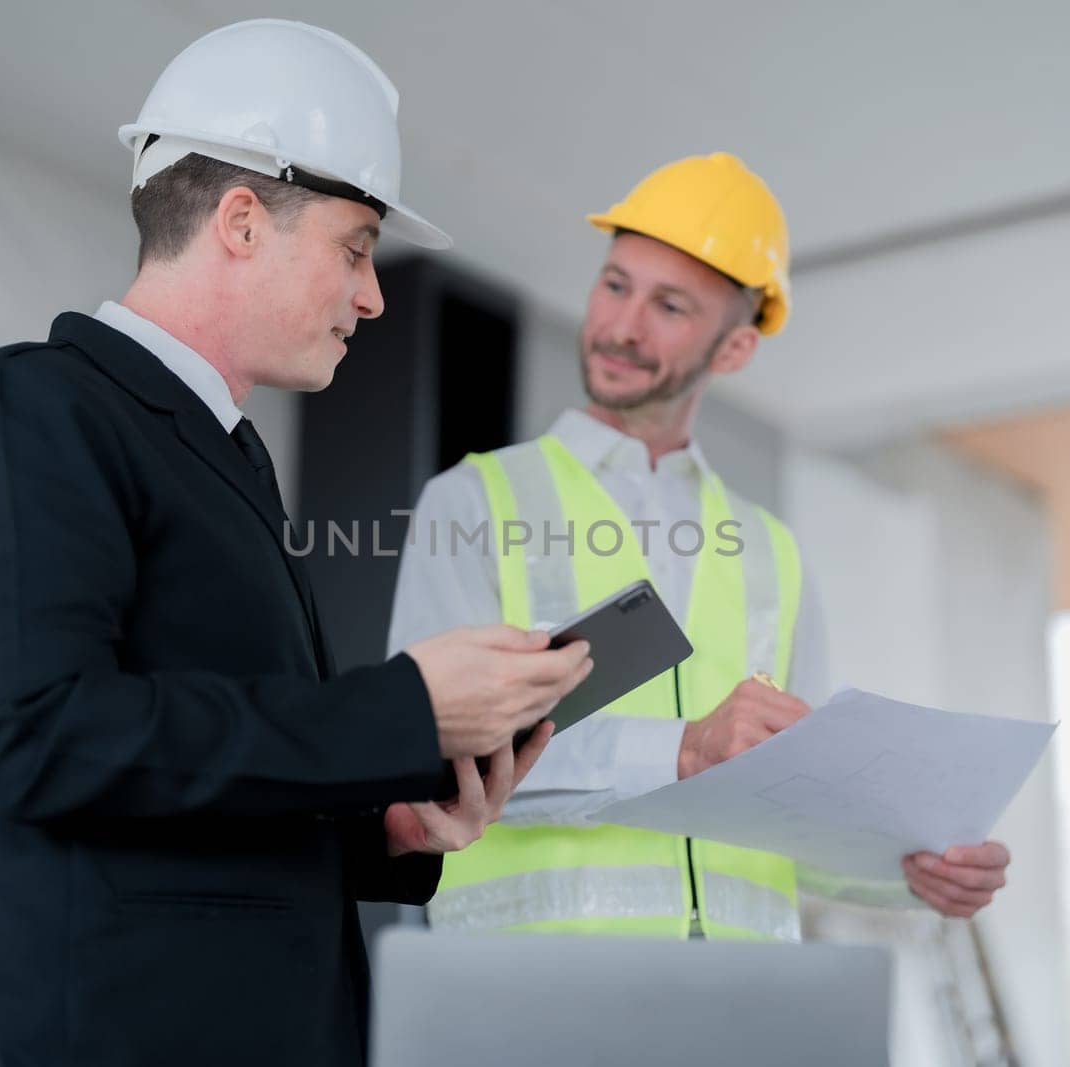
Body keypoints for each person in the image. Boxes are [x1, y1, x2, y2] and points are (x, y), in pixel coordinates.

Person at [0, 20, 590, 1067]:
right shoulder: (18, 405)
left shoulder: (230, 462)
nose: (372, 295)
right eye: (356, 249)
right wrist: (402, 707)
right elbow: (43, 733)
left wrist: (381, 825)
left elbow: (185, 779)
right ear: (242, 220)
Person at [388, 152, 1011, 940]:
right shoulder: (474, 503)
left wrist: (914, 867)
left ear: (734, 349)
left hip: (741, 1005)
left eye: (670, 306)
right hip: (533, 999)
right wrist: (679, 748)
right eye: (615, 285)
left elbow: (801, 806)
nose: (621, 326)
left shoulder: (772, 555)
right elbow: (429, 762)